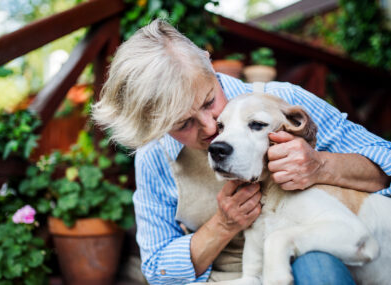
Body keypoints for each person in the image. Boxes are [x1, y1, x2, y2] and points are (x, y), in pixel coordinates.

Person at [92, 19, 391, 285]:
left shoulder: (279, 102)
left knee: (316, 262)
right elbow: (157, 270)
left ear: (209, 65)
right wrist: (223, 225)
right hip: (231, 277)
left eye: (209, 102)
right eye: (184, 124)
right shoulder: (155, 155)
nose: (210, 128)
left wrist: (322, 166)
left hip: (305, 264)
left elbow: (386, 160)